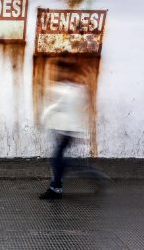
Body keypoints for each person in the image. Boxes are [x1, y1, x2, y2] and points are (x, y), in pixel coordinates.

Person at [39, 61, 89, 200]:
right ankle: (57, 186)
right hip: (60, 129)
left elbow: (56, 106)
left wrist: (43, 119)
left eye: (64, 71)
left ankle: (56, 188)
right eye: (60, 70)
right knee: (58, 160)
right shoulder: (68, 88)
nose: (61, 73)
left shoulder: (71, 89)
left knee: (57, 160)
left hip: (67, 131)